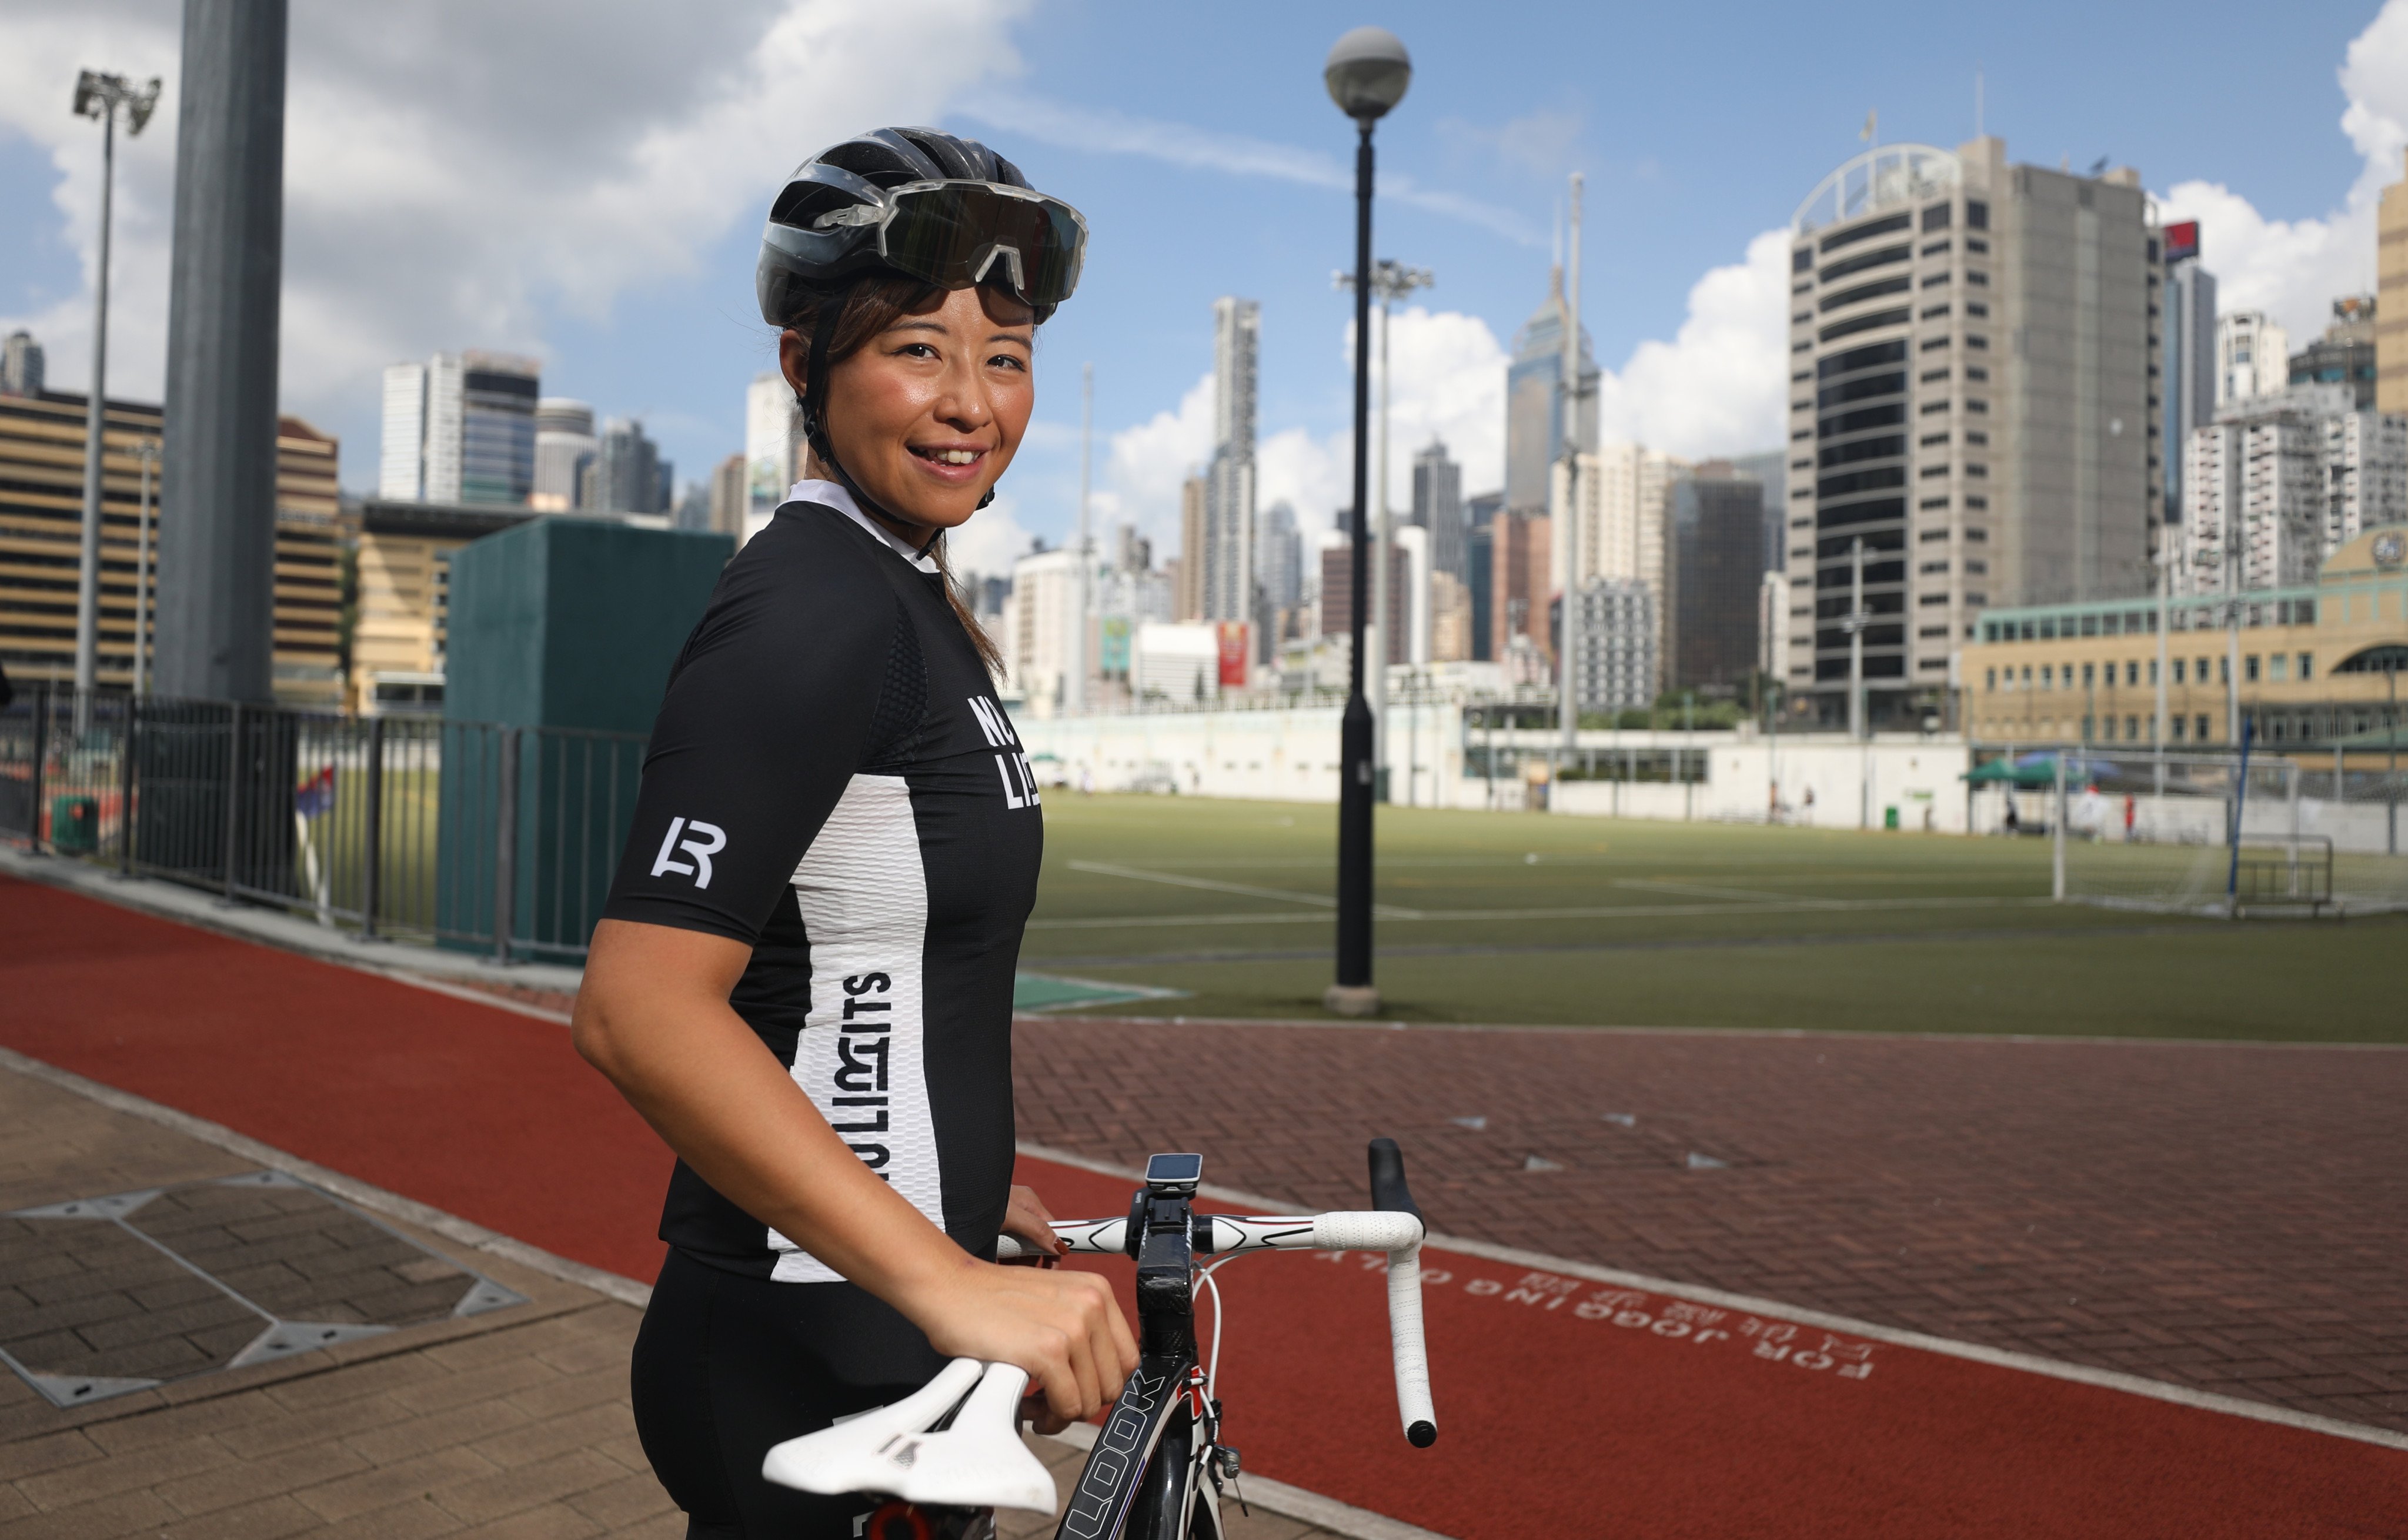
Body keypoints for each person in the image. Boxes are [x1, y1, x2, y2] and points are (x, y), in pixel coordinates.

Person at [571, 128, 1134, 1540]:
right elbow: (641, 1009)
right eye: (918, 350)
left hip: (881, 1326)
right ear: (801, 367)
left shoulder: (904, 599)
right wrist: (948, 1280)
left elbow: (843, 957)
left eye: (1002, 356)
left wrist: (961, 1178)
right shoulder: (816, 608)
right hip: (807, 1350)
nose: (969, 402)